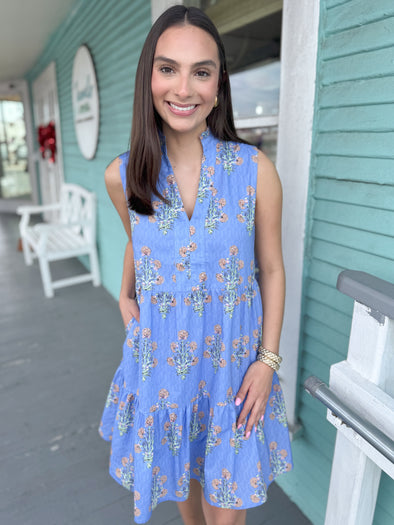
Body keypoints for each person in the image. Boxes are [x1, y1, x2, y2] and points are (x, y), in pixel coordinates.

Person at [99, 5, 292, 525]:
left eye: (200, 71)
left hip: (233, 368)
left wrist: (267, 362)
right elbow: (140, 241)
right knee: (185, 494)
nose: (183, 89)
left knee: (223, 510)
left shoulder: (254, 170)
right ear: (150, 76)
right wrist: (124, 294)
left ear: (218, 82)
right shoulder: (123, 175)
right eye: (168, 69)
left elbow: (271, 269)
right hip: (163, 365)